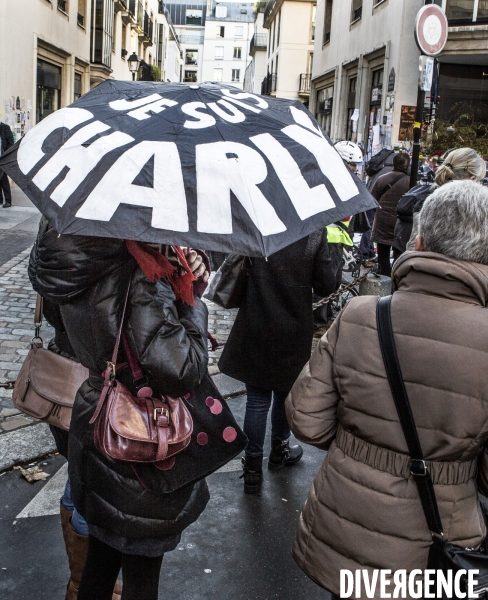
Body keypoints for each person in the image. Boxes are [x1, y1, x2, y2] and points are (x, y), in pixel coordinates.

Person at [286, 180, 488, 599]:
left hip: (346, 520)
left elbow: (306, 421)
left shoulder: (360, 314)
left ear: (419, 241)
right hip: (437, 539)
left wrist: (363, 447)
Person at [31, 229, 211, 600]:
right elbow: (182, 370)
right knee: (141, 575)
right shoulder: (144, 272)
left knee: (99, 565)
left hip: (96, 418)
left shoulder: (72, 251)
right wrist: (191, 300)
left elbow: (63, 321)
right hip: (141, 442)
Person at [218, 231, 337, 494]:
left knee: (257, 399)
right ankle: (279, 452)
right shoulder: (313, 234)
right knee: (285, 394)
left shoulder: (261, 226)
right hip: (292, 325)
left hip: (257, 319)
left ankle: (251, 469)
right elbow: (327, 284)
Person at [394, 147, 486, 253]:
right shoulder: (475, 211)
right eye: (480, 181)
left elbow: (413, 249)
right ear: (472, 179)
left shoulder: (428, 200)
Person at [370, 152, 411, 277]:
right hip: (401, 224)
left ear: (393, 163)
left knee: (383, 255)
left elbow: (373, 200)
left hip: (383, 222)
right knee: (400, 254)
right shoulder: (411, 182)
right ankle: (396, 280)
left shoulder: (382, 179)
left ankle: (384, 279)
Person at [0, 121, 14, 208]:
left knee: (3, 178)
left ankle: (8, 200)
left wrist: (5, 154)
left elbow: (11, 143)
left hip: (2, 157)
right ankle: (0, 199)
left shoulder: (5, 128)